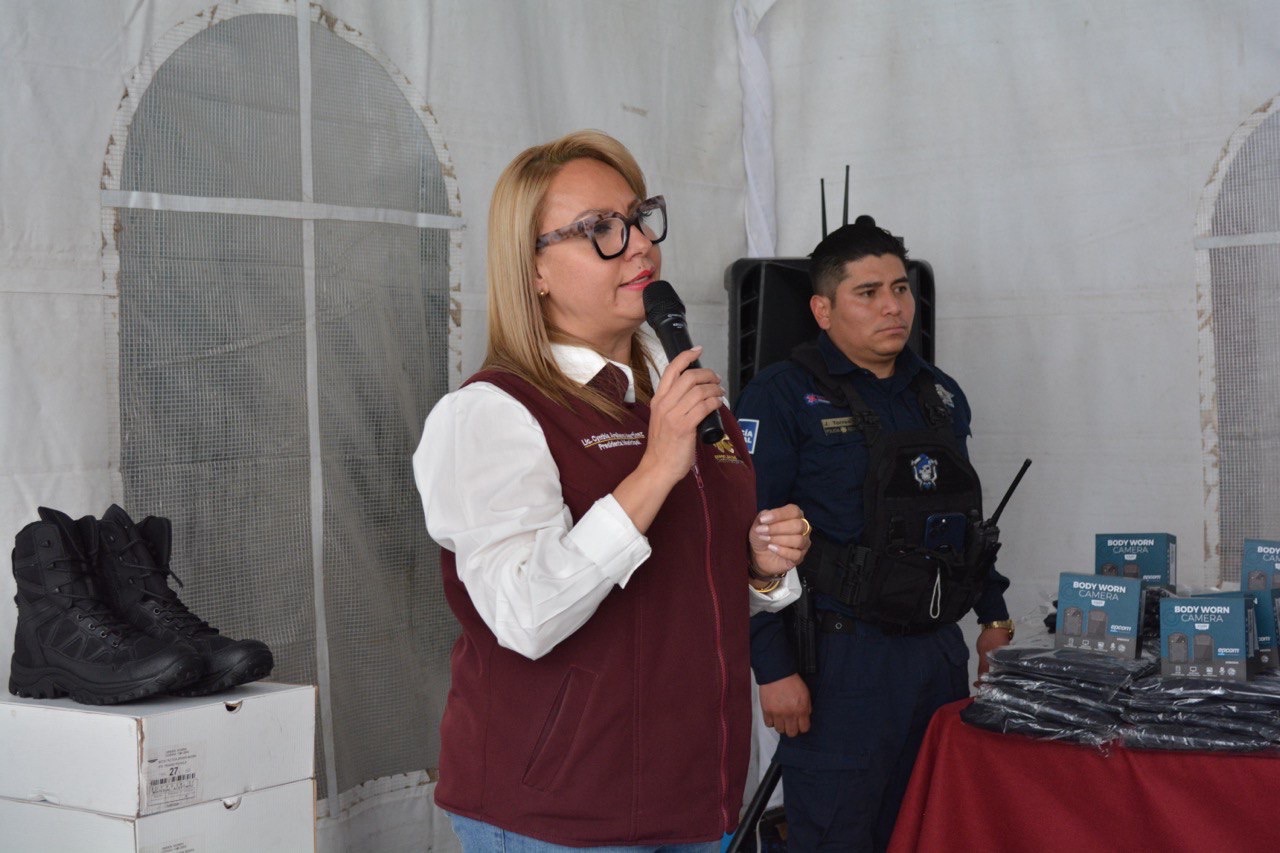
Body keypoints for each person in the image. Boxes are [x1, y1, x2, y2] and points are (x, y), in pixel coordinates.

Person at [412, 129, 811, 852]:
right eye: (600, 228)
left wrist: (760, 568)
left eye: (638, 217)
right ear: (533, 269)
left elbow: (684, 589)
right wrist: (655, 470)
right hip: (562, 817)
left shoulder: (691, 397)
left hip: (699, 797)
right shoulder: (490, 414)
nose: (640, 246)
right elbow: (526, 615)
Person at [733, 216, 1014, 851]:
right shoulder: (780, 396)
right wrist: (772, 668)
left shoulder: (938, 394)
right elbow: (745, 540)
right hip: (839, 664)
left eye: (900, 288)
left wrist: (994, 617)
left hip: (935, 655)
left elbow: (963, 518)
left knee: (931, 832)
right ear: (822, 309)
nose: (893, 306)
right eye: (868, 292)